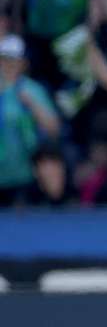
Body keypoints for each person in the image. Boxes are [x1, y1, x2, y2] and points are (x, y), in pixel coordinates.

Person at [0, 34, 61, 206]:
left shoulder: (33, 90)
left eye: (13, 60)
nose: (8, 65)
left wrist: (32, 105)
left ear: (22, 63)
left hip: (26, 176)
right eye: (5, 59)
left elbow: (54, 129)